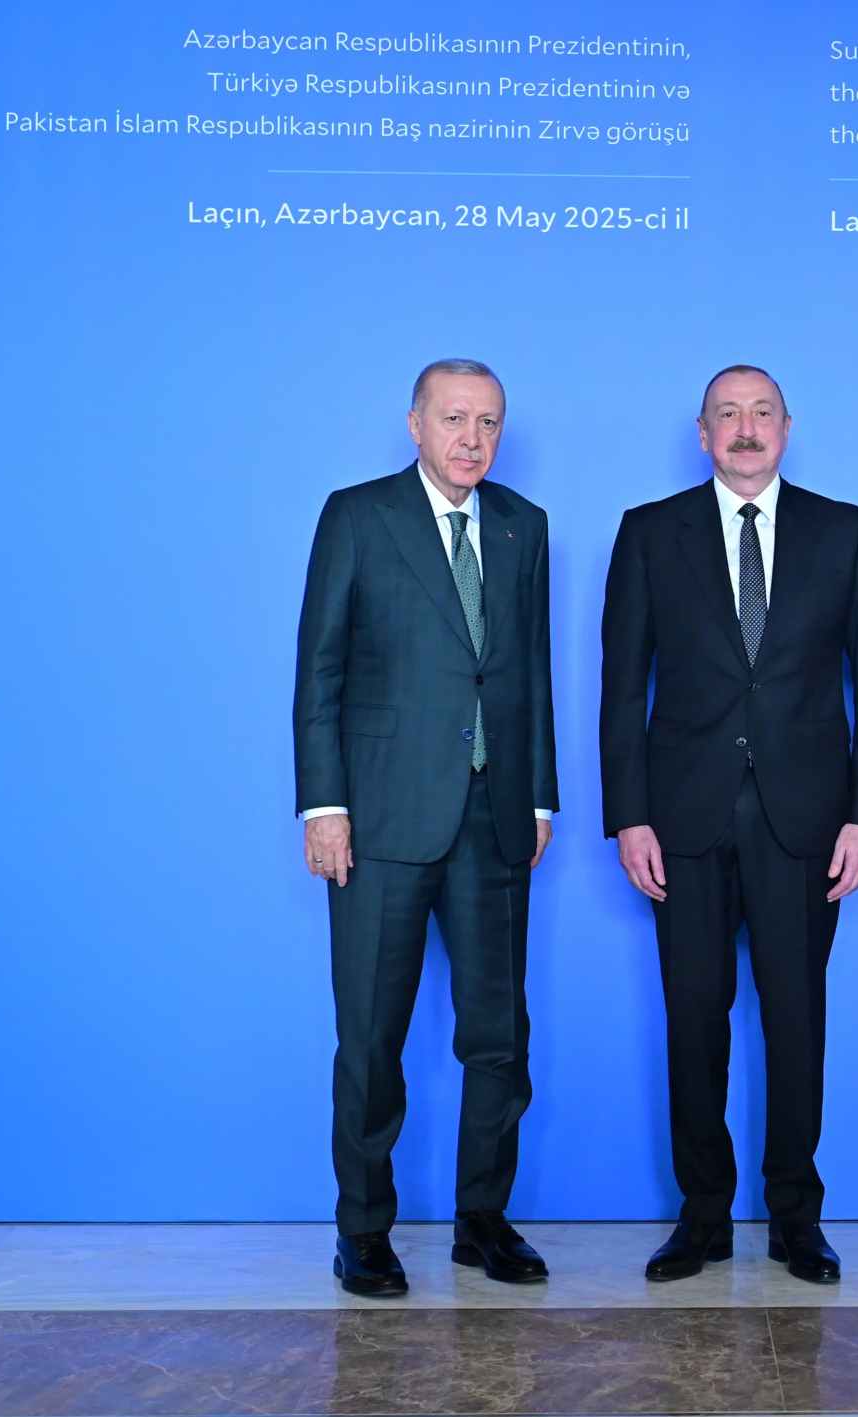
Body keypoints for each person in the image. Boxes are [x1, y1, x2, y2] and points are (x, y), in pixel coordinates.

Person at [600, 365, 858, 1284]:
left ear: (787, 428)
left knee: (797, 1020)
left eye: (761, 412)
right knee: (694, 1020)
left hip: (806, 821)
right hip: (681, 821)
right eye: (727, 414)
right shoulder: (649, 532)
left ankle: (796, 1218)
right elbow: (622, 687)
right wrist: (628, 816)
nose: (745, 427)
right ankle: (701, 1217)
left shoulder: (847, 532)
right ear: (702, 433)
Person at [293, 358, 558, 1296]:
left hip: (495, 818)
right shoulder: (358, 516)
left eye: (488, 422)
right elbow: (319, 671)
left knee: (499, 1039)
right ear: (415, 424)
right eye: (454, 419)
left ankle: (483, 1222)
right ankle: (364, 1231)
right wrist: (324, 806)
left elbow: (530, 670)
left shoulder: (523, 524)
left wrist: (539, 797)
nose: (472, 439)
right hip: (382, 821)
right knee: (371, 1039)